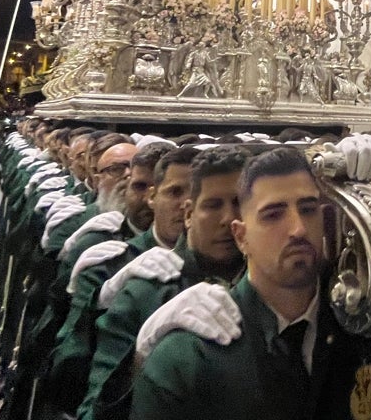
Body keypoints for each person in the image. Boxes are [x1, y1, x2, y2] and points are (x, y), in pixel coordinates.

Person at [132, 146, 371, 420]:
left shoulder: (370, 335)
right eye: (273, 215)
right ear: (241, 237)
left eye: (308, 209)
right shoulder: (191, 356)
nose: (297, 229)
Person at [80, 146, 248, 420]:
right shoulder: (145, 292)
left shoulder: (269, 283)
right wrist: (140, 358)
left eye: (240, 202)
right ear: (189, 214)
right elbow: (92, 411)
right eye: (213, 205)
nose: (229, 218)